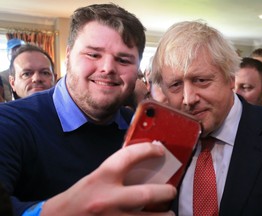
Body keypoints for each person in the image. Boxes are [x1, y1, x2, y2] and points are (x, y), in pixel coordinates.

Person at [0, 4, 176, 216]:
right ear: (68, 56)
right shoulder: (11, 122)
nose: (108, 68)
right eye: (93, 54)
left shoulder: (141, 128)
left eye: (123, 60)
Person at [150, 20, 262, 215]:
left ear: (231, 78)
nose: (188, 99)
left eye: (201, 80)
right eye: (175, 85)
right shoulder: (159, 145)